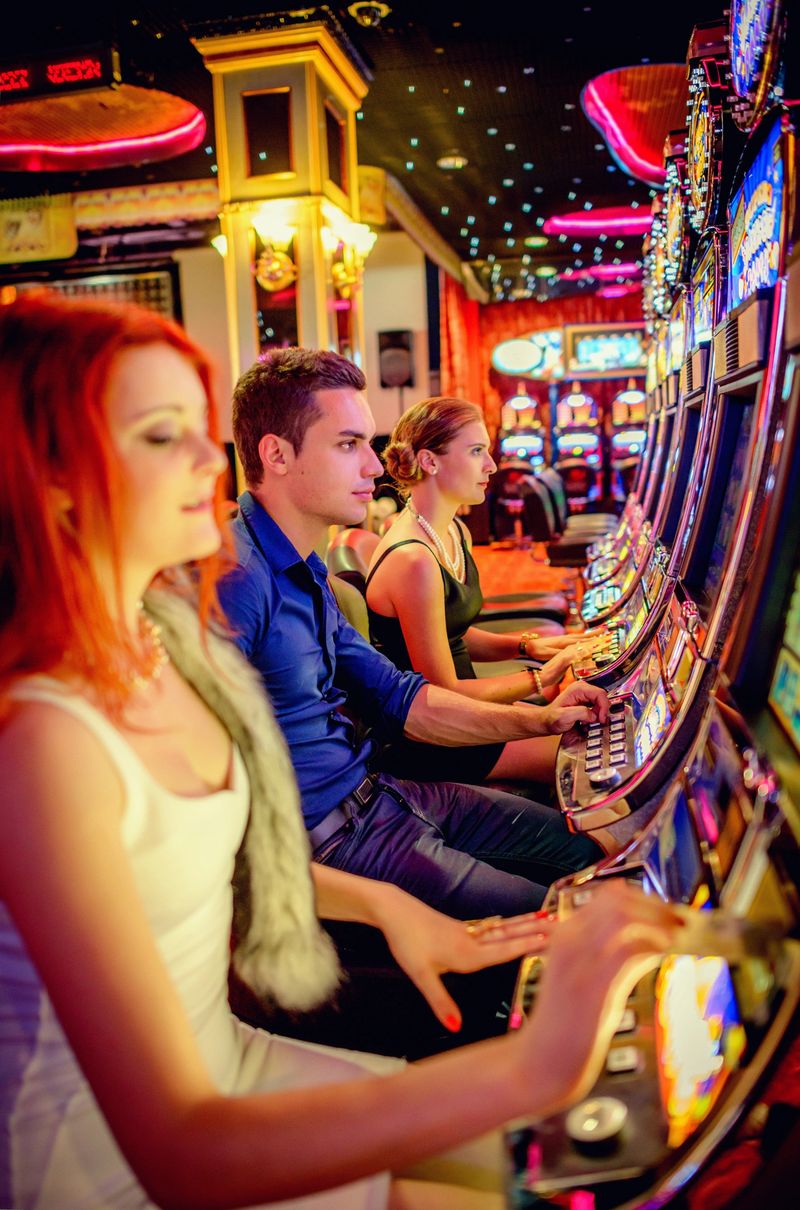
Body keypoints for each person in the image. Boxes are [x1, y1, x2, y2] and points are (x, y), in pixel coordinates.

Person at [0, 292, 687, 1210]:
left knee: (579, 1144)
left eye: (201, 430)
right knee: (561, 1139)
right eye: (164, 436)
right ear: (50, 478)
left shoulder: (158, 651)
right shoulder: (48, 738)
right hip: (112, 1171)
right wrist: (535, 1062)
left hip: (246, 1050)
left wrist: (386, 905)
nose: (211, 460)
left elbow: (235, 840)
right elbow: (181, 1154)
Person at [220, 347, 605, 921]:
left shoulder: (306, 566)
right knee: (568, 920)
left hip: (381, 795)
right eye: (348, 444)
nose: (375, 467)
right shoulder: (235, 581)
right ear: (276, 454)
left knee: (585, 852)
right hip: (332, 847)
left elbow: (404, 698)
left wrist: (543, 718)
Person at [365, 396, 611, 785]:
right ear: (429, 461)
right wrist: (542, 677)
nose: (492, 466)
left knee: (600, 736)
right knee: (597, 764)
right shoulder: (413, 561)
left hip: (469, 715)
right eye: (477, 451)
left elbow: (452, 634)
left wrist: (528, 647)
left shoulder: (453, 531)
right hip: (443, 737)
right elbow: (444, 692)